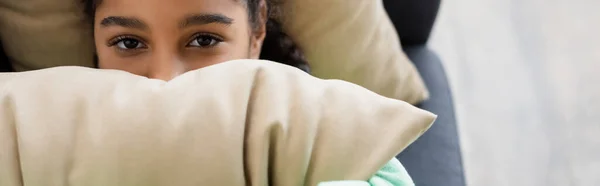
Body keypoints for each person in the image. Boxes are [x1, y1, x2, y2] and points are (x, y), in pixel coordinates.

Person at [83, 0, 414, 185]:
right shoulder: (53, 142)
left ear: (256, 34)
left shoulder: (316, 128)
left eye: (204, 40)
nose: (165, 79)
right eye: (128, 43)